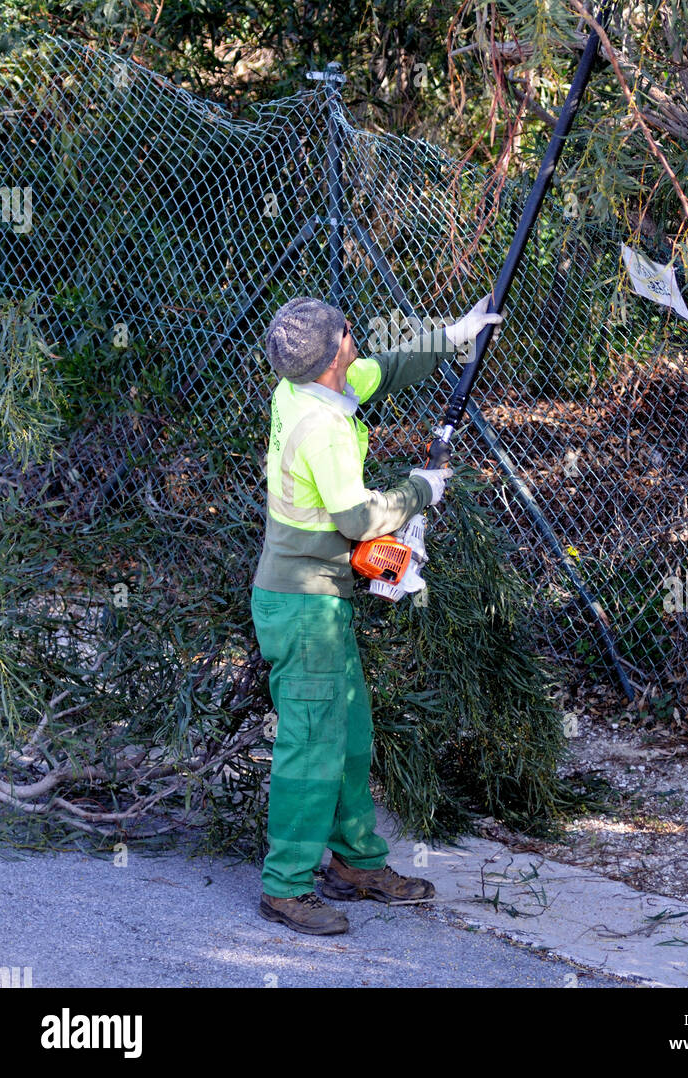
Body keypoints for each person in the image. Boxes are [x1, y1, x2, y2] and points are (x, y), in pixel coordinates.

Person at [251, 294, 502, 935]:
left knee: (350, 729)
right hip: (302, 605)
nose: (354, 338)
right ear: (337, 348)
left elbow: (380, 371)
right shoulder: (322, 428)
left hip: (319, 600)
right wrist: (422, 490)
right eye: (348, 334)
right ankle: (286, 887)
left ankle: (357, 862)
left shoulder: (306, 387)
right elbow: (360, 519)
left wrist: (454, 336)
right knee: (311, 743)